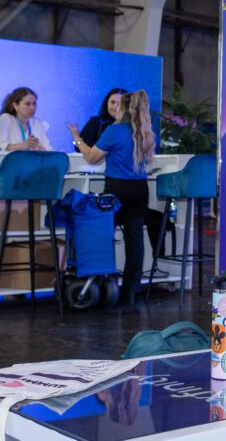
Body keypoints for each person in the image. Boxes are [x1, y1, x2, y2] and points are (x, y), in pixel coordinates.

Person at [68, 90, 156, 304]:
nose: (115, 108)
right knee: (134, 241)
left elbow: (91, 157)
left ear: (125, 108)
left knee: (101, 233)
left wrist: (77, 138)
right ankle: (131, 290)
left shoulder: (114, 131)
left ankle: (98, 279)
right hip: (139, 190)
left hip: (117, 190)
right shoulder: (147, 132)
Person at [0, 87, 53, 151]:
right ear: (15, 106)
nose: (32, 107)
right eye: (27, 104)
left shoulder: (37, 123)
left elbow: (48, 149)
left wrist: (38, 148)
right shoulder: (5, 119)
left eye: (34, 104)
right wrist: (24, 145)